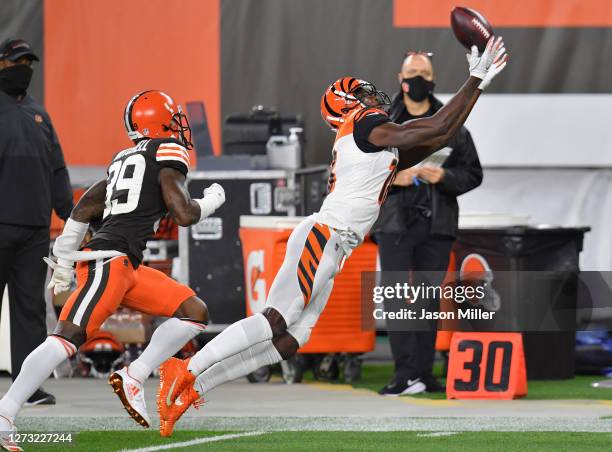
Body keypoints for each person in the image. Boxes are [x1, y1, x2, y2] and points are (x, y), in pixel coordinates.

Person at [155, 36, 507, 437]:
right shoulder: (365, 123)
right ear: (347, 105)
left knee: (291, 339)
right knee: (275, 320)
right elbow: (435, 125)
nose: (370, 95)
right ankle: (184, 368)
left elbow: (442, 136)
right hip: (323, 236)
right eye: (359, 92)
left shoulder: (375, 139)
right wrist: (475, 76)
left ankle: (193, 388)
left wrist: (480, 84)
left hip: (334, 243)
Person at [0, 90, 226, 451]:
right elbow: (183, 214)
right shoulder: (167, 151)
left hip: (125, 265)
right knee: (66, 338)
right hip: (110, 262)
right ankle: (5, 413)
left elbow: (84, 207)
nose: (178, 127)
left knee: (193, 312)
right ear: (160, 121)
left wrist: (62, 257)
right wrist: (213, 200)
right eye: (173, 119)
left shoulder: (124, 159)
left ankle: (134, 374)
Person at [373, 51, 483, 396]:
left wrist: (445, 176)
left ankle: (423, 372)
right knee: (396, 297)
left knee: (427, 299)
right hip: (394, 224)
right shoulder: (382, 122)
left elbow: (473, 173)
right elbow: (359, 172)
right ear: (400, 78)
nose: (419, 78)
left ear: (434, 79)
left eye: (425, 72)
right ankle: (404, 372)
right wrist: (395, 178)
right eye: (413, 72)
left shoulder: (451, 121)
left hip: (437, 225)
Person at [0, 38, 73, 406]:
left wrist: (69, 214)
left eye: (29, 62)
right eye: (17, 62)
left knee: (30, 310)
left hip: (33, 230)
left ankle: (26, 387)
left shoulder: (38, 114)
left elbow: (57, 169)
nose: (24, 68)